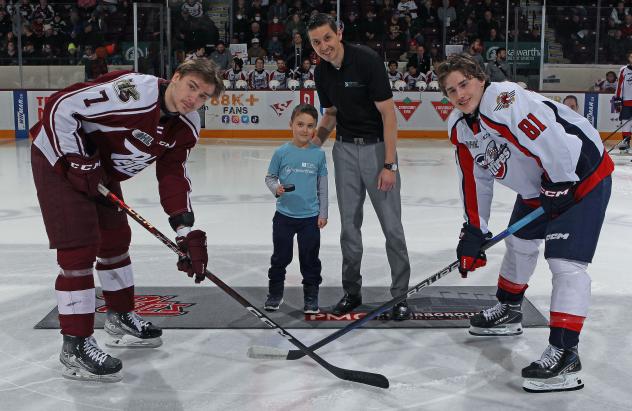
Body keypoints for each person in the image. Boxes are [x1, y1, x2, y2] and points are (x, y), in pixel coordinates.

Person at [30, 59, 224, 383]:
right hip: (58, 157)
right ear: (176, 77)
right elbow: (60, 106)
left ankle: (120, 317)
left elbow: (173, 175)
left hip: (97, 168)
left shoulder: (187, 125)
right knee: (79, 249)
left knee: (116, 240)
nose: (194, 99)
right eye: (192, 87)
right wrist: (75, 161)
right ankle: (75, 346)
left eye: (203, 96)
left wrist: (185, 230)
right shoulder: (133, 92)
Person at [437, 54, 613, 393]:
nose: (459, 94)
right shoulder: (460, 128)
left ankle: (565, 352)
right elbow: (474, 180)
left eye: (464, 83)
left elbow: (552, 140)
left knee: (565, 264)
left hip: (581, 177)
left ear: (479, 78)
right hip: (541, 187)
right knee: (518, 243)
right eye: (450, 90)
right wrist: (474, 229)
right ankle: (509, 309)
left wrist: (560, 183)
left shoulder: (504, 101)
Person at [307, 13, 412, 320]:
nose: (323, 46)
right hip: (344, 152)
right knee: (349, 228)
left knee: (392, 227)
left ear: (339, 32)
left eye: (327, 38)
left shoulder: (366, 61)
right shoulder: (321, 73)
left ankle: (400, 296)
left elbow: (389, 115)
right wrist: (310, 152)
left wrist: (389, 164)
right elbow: (330, 115)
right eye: (316, 42)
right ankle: (351, 292)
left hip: (378, 150)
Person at [264, 104, 328, 313]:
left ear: (315, 129)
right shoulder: (281, 152)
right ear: (291, 124)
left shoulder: (318, 155)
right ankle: (275, 293)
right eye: (300, 124)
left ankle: (311, 297)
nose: (304, 130)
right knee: (280, 257)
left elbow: (323, 187)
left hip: (310, 219)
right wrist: (276, 188)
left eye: (310, 126)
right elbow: (270, 177)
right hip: (284, 217)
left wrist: (323, 213)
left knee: (309, 258)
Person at [615, 51, 632, 152]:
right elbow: (619, 86)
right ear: (629, 58)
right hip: (626, 102)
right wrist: (617, 100)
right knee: (626, 123)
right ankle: (626, 144)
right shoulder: (623, 70)